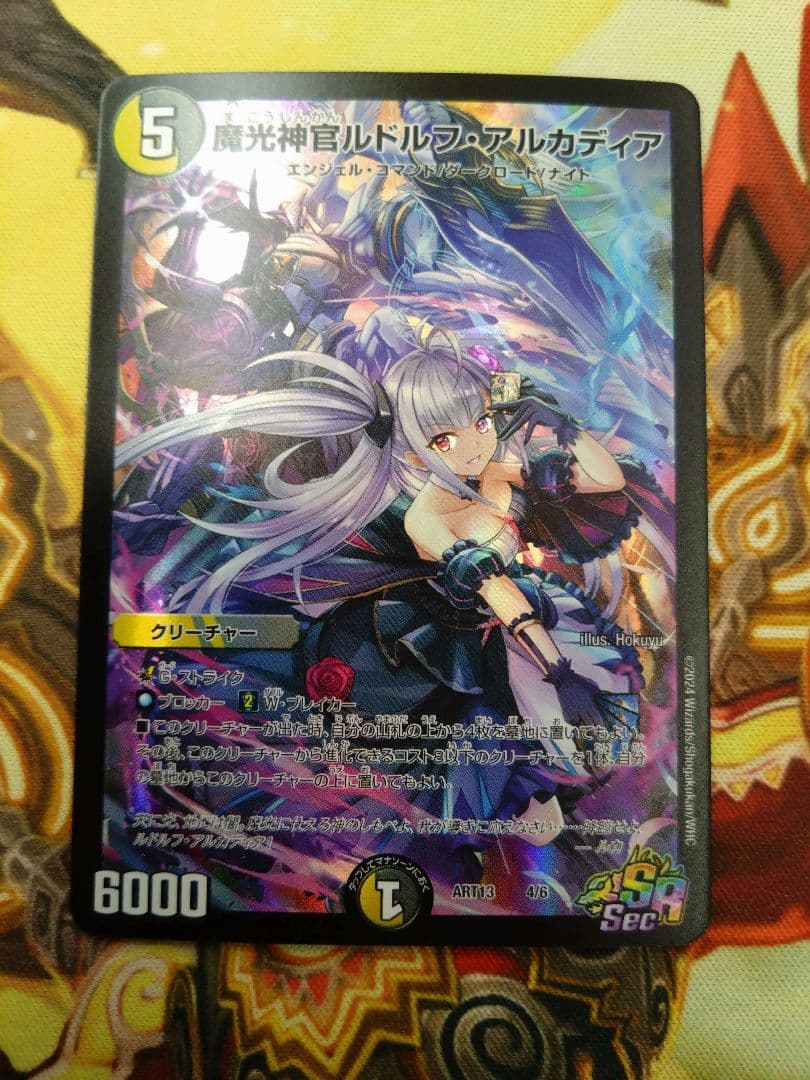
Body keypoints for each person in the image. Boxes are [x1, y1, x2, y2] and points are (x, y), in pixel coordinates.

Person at [116, 328, 669, 879]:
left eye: (481, 423)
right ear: (412, 448)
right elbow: (496, 591)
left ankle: (528, 816)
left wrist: (558, 420)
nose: (474, 445)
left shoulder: (496, 469)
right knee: (475, 770)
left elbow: (606, 479)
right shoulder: (425, 513)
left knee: (545, 767)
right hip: (440, 643)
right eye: (446, 439)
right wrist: (557, 668)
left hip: (509, 627)